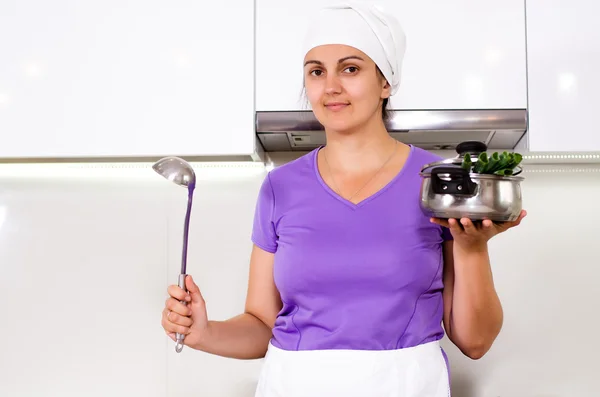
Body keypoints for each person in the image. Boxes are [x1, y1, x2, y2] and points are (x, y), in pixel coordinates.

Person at [161, 1, 527, 396]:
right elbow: (262, 324)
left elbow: (475, 342)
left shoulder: (436, 181)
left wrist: (472, 248)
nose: (331, 86)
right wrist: (204, 332)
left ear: (385, 82)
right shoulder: (279, 188)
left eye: (350, 68)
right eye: (316, 72)